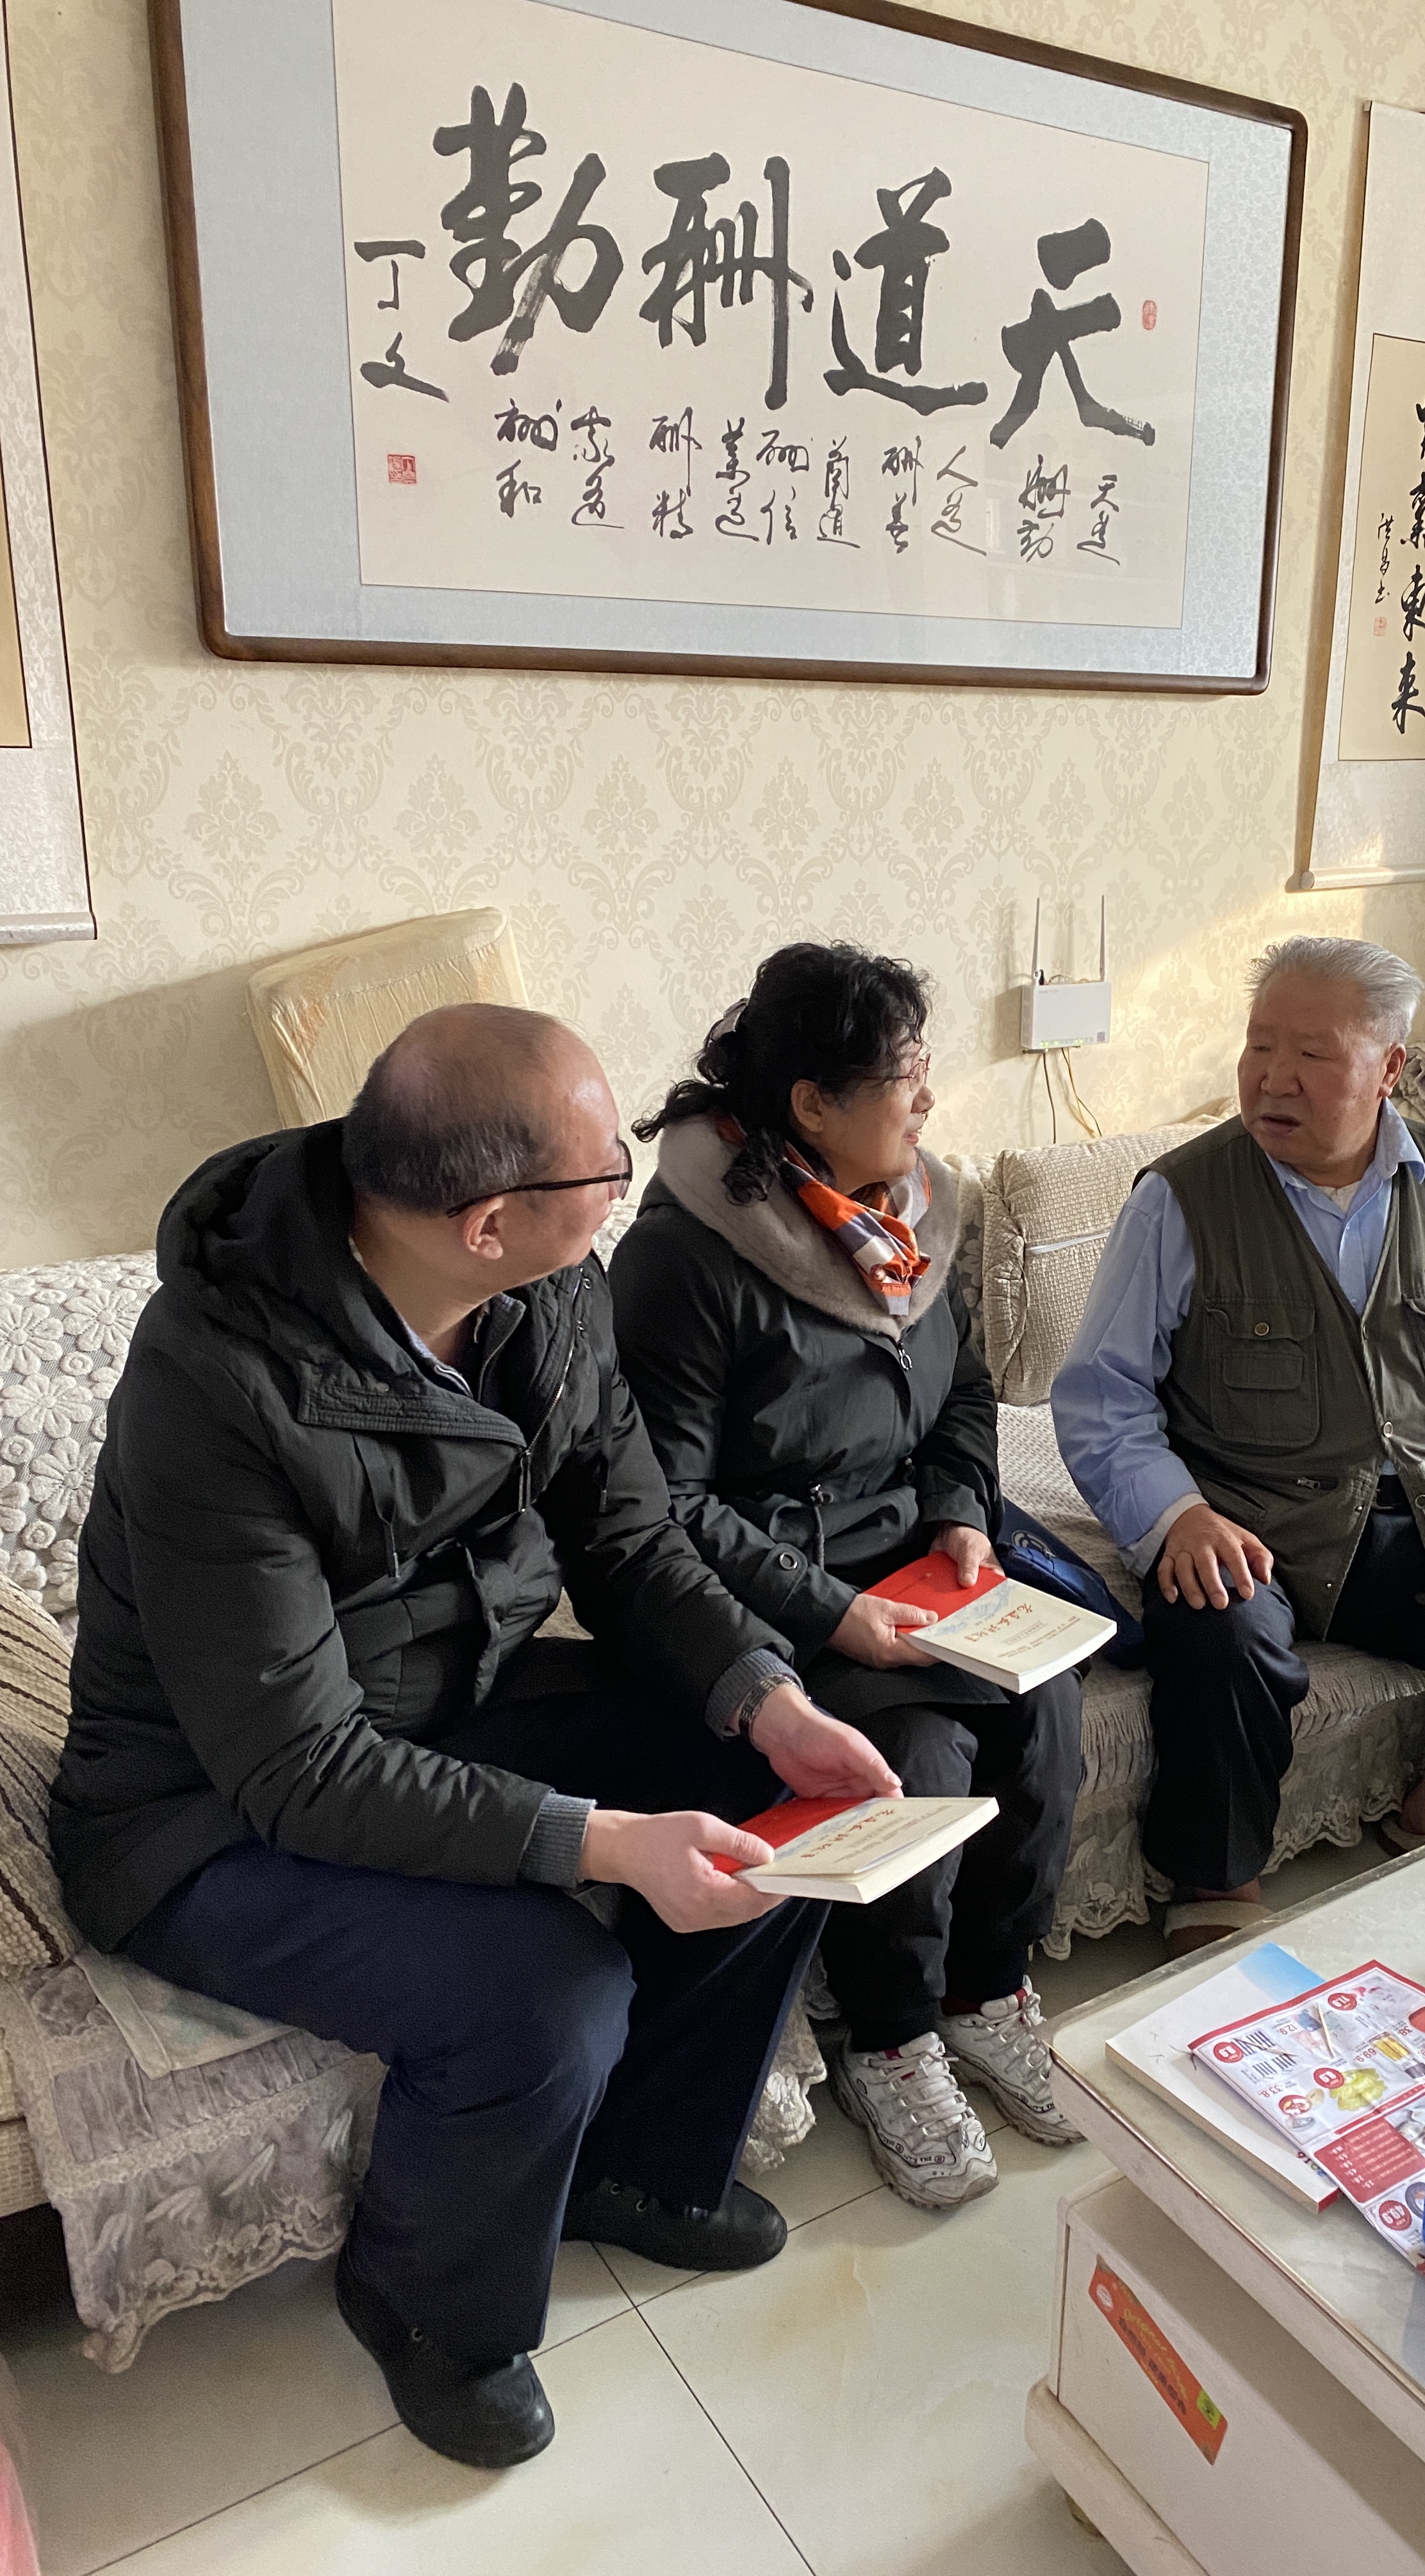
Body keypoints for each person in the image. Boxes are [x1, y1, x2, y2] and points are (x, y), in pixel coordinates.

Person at [51, 1004, 899, 2471]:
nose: (629, 1189)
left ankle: (633, 2167)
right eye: (607, 1173)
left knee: (774, 1790)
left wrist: (767, 1697)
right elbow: (296, 1764)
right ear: (489, 1219)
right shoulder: (216, 1378)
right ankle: (426, 2306)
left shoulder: (546, 1292)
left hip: (451, 1704)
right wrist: (603, 1843)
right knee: (542, 1991)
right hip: (202, 1810)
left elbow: (627, 1536)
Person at [611, 944, 1083, 2211]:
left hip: (915, 1563)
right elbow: (667, 1506)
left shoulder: (910, 1213)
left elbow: (966, 1393)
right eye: (900, 1080)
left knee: (1048, 1711)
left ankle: (986, 1994)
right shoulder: (687, 1259)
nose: (927, 1100)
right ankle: (892, 2041)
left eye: (926, 1070)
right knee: (916, 1758)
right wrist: (838, 1615)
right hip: (769, 1597)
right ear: (811, 1104)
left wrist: (960, 1514)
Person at [1051, 936, 1425, 1956]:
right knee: (1218, 1637)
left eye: (1313, 1054)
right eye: (1260, 1046)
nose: (1275, 1077)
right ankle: (1216, 1886)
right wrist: (1176, 1516)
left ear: (1390, 1067)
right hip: (1250, 1524)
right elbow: (1101, 1396)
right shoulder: (1181, 1198)